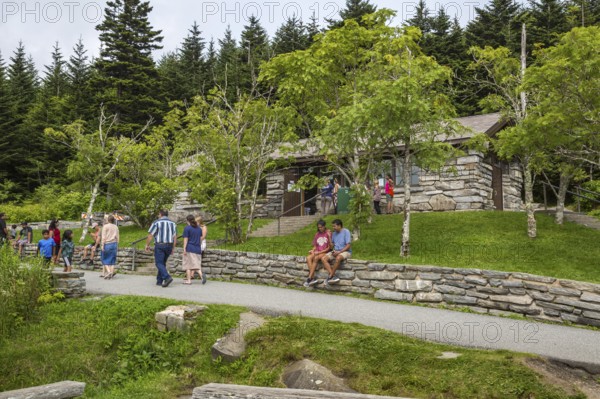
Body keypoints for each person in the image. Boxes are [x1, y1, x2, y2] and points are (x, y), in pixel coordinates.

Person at [145, 210, 177, 288]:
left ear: (160, 214)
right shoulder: (173, 224)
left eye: (159, 214)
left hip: (160, 245)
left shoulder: (156, 223)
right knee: (162, 263)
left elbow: (150, 235)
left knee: (158, 263)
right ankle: (159, 281)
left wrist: (147, 245)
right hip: (169, 245)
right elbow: (175, 237)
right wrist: (173, 247)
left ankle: (167, 277)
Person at [321, 219, 352, 285]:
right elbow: (332, 246)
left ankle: (330, 276)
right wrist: (329, 236)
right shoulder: (334, 233)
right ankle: (333, 276)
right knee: (323, 259)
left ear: (339, 226)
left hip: (345, 251)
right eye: (332, 226)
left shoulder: (346, 231)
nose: (333, 228)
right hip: (335, 251)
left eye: (334, 226)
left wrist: (339, 252)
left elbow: (348, 245)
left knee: (338, 258)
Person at [304, 219, 333, 287]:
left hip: (325, 251)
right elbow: (315, 246)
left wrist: (319, 252)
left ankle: (309, 278)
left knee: (316, 258)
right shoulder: (317, 234)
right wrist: (313, 250)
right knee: (308, 258)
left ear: (324, 226)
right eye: (319, 227)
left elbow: (329, 248)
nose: (320, 229)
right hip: (317, 251)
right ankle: (313, 278)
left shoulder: (328, 233)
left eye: (321, 227)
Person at [182, 215, 206, 285]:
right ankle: (201, 276)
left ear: (187, 221)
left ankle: (190, 280)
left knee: (188, 265)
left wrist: (184, 249)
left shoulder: (187, 228)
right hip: (197, 248)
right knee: (195, 264)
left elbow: (185, 240)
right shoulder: (199, 228)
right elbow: (200, 238)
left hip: (190, 248)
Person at [100, 215, 119, 279]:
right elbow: (117, 236)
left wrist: (102, 245)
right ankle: (111, 272)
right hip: (114, 244)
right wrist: (117, 244)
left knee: (104, 258)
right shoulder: (116, 227)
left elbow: (103, 237)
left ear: (108, 220)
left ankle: (109, 272)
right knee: (112, 259)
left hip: (107, 244)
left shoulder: (105, 226)